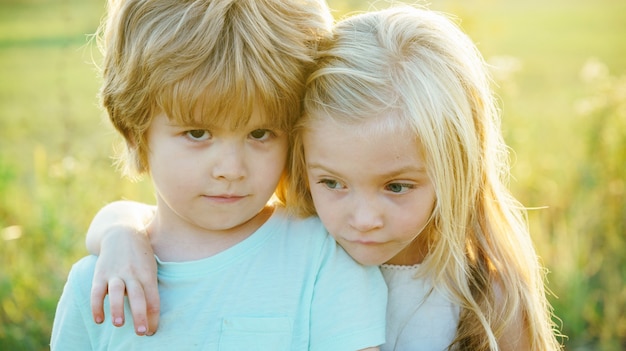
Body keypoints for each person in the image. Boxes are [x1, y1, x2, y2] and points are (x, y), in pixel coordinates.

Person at [84, 4, 564, 351]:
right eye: (332, 182)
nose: (364, 219)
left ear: (456, 169)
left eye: (397, 186)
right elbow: (182, 234)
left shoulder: (487, 296)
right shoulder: (305, 240)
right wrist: (121, 232)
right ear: (303, 154)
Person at [50, 0, 388, 350]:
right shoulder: (98, 284)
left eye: (260, 134)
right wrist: (119, 231)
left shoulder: (323, 254)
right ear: (134, 131)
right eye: (197, 134)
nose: (231, 170)